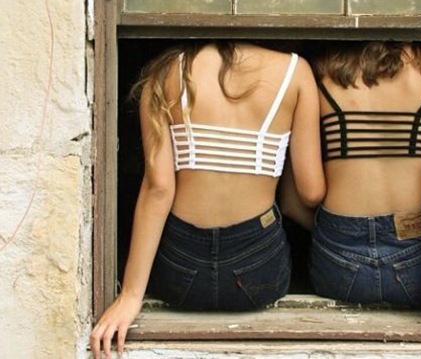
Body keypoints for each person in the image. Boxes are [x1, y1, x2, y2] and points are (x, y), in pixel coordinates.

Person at [90, 40, 325, 359]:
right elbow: (310, 192)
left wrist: (131, 295)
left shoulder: (167, 72)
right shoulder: (296, 71)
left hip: (181, 273)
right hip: (258, 271)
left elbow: (159, 189)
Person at [280, 40, 421, 359]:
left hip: (338, 266)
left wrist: (337, 231)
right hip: (416, 265)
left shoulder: (314, 74)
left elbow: (292, 202)